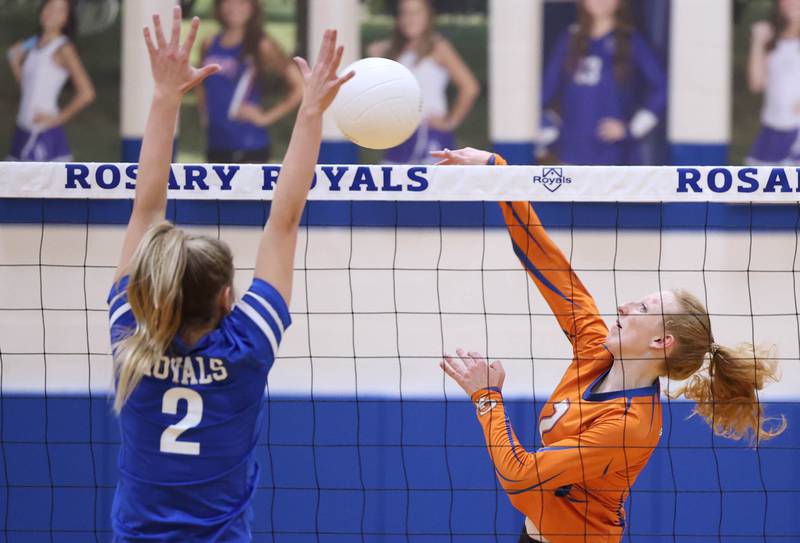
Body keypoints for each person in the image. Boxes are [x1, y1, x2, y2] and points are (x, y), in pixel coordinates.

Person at [432, 147, 787, 542]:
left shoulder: (628, 425)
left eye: (642, 307)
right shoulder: (595, 348)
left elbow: (519, 477)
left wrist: (487, 398)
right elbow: (544, 260)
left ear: (660, 341)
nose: (623, 305)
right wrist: (498, 172)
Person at [107, 7, 352, 540]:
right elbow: (283, 222)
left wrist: (164, 96)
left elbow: (144, 210)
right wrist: (311, 114)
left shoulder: (133, 340)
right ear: (227, 298)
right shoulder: (244, 348)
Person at [540, 0, 667, 165]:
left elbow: (662, 86)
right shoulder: (570, 40)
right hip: (571, 151)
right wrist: (543, 124)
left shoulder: (630, 40)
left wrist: (633, 129)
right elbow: (545, 90)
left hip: (614, 155)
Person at [367, 0, 479, 164]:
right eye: (404, 13)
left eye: (417, 12)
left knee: (433, 185)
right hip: (400, 136)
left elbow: (470, 87)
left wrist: (450, 122)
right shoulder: (394, 50)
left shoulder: (438, 47)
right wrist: (376, 59)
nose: (410, 18)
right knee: (394, 185)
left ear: (428, 16)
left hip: (430, 135)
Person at [197, 0, 303, 163]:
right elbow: (200, 82)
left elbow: (300, 87)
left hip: (249, 146)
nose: (234, 7)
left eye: (242, 2)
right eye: (228, 2)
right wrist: (204, 111)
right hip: (215, 144)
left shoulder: (261, 44)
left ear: (253, 6)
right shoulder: (208, 43)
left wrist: (265, 118)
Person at [6, 0, 95, 161]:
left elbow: (87, 93)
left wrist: (57, 119)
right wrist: (15, 65)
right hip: (22, 130)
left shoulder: (64, 48)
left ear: (65, 19)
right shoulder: (34, 45)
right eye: (49, 6)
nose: (52, 12)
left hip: (44, 134)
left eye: (59, 10)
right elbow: (29, 89)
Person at [746, 0, 800, 165]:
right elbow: (756, 84)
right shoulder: (771, 38)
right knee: (763, 186)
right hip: (774, 126)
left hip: (797, 129)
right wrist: (758, 41)